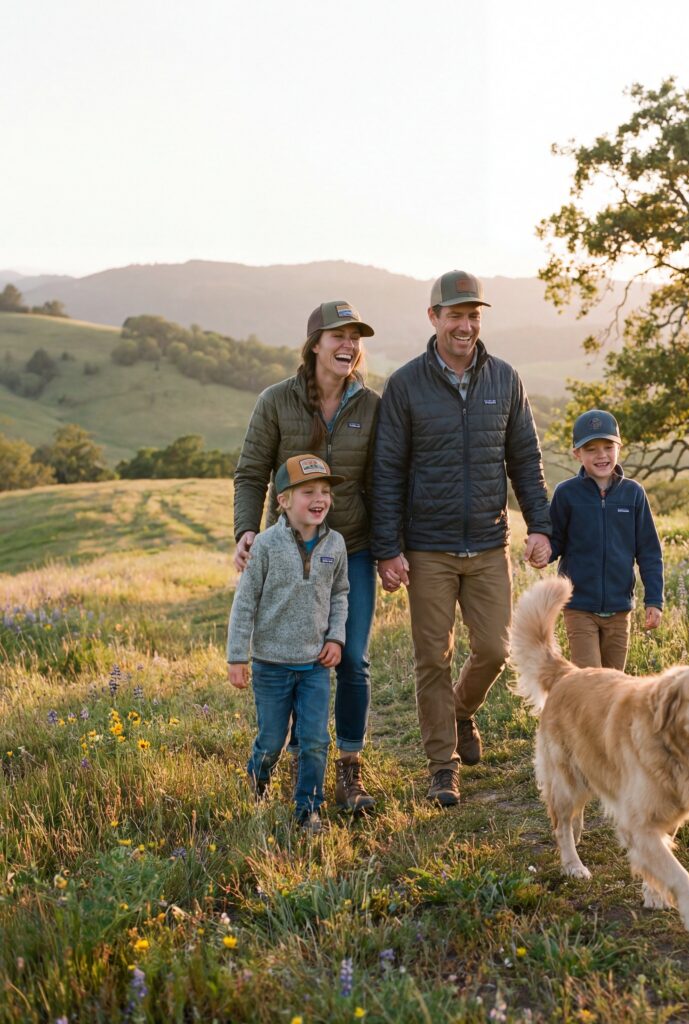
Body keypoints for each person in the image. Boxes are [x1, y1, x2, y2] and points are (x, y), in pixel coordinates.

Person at [372, 270, 552, 808]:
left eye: (474, 315)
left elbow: (525, 460)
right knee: (433, 658)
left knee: (496, 650)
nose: (466, 325)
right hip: (427, 545)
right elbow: (387, 471)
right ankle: (441, 767)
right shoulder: (405, 386)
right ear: (434, 319)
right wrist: (388, 548)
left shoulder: (505, 380)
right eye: (456, 315)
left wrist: (539, 524)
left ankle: (460, 712)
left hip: (489, 542)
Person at [233, 300, 380, 814]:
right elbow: (251, 472)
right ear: (315, 343)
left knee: (353, 657)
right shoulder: (276, 401)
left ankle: (350, 769)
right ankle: (299, 757)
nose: (348, 345)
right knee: (296, 654)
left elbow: (382, 482)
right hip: (291, 551)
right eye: (338, 335)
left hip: (353, 550)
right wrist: (246, 531)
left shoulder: (370, 405)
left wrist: (388, 550)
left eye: (355, 337)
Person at [227, 454, 350, 833]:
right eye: (308, 491)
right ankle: (256, 779)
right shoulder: (265, 546)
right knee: (271, 741)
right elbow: (245, 602)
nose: (319, 499)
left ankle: (307, 810)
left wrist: (336, 638)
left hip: (315, 664)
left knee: (314, 740)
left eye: (325, 492)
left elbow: (341, 594)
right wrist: (237, 656)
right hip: (271, 665)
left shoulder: (336, 544)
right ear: (282, 500)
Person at [548, 409, 663, 670]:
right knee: (590, 680)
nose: (601, 455)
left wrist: (654, 600)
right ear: (577, 454)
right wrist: (542, 551)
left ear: (619, 448)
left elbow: (649, 552)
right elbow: (555, 542)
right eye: (591, 449)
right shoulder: (566, 494)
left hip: (619, 609)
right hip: (579, 607)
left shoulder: (633, 494)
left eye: (608, 446)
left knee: (613, 683)